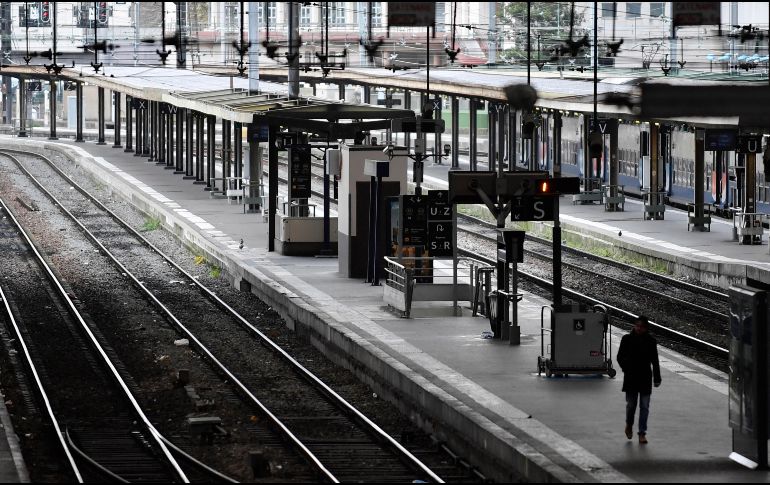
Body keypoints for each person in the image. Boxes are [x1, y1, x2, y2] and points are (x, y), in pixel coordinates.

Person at [617, 315, 661, 444]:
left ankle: (642, 433)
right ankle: (629, 424)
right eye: (637, 326)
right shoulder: (627, 339)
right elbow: (620, 356)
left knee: (644, 406)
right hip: (631, 377)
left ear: (646, 328)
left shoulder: (651, 341)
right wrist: (626, 368)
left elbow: (655, 361)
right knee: (631, 405)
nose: (639, 328)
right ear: (634, 326)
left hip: (645, 377)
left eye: (641, 327)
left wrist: (657, 378)